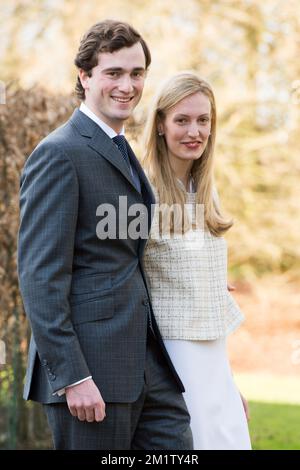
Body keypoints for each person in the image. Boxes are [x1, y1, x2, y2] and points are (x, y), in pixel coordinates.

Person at [17, 21, 193, 450]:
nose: (127, 85)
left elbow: (127, 253)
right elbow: (40, 276)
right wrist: (73, 375)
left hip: (147, 366)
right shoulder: (60, 154)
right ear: (85, 76)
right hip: (90, 371)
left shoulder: (122, 148)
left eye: (136, 74)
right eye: (114, 73)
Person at [142, 71, 252, 450]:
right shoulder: (141, 191)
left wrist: (228, 381)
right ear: (160, 124)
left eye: (203, 120)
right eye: (182, 120)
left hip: (213, 360)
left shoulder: (207, 192)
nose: (194, 131)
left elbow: (208, 300)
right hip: (172, 362)